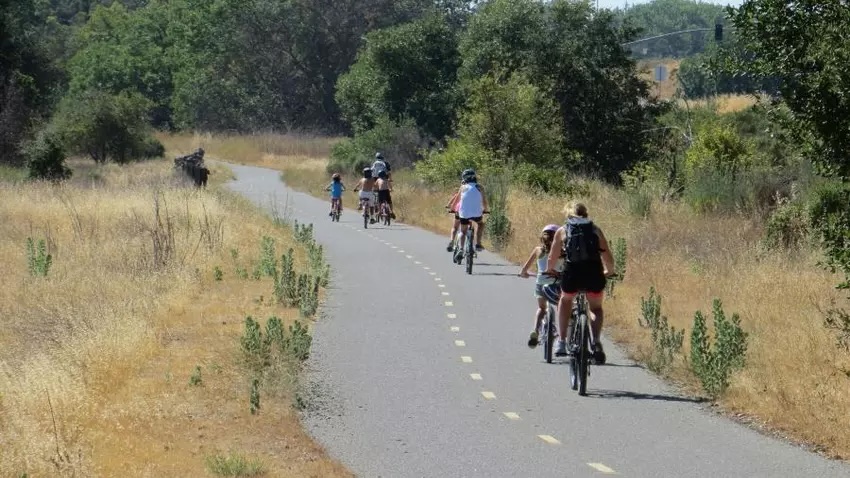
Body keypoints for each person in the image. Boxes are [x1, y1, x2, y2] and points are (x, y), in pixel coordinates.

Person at [546, 202, 616, 364]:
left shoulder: (563, 231)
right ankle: (596, 341)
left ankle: (562, 341)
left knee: (566, 300)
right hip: (593, 273)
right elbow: (607, 257)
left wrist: (550, 270)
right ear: (586, 214)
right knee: (596, 308)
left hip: (572, 274)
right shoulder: (595, 230)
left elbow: (552, 257)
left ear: (568, 215)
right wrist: (609, 271)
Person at [520, 224, 563, 347]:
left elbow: (524, 269)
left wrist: (525, 274)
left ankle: (535, 330)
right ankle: (561, 334)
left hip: (540, 283)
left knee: (542, 308)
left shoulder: (538, 250)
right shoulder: (561, 252)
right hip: (556, 284)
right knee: (562, 307)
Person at [454, 169, 489, 263]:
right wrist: (485, 210)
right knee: (480, 224)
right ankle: (478, 243)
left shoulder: (462, 187)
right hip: (477, 213)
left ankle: (461, 249)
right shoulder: (480, 187)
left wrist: (453, 208)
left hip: (464, 213)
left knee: (463, 231)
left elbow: (457, 200)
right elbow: (484, 201)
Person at [444, 180, 464, 252]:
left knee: (455, 227)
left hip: (459, 211)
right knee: (468, 226)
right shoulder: (475, 192)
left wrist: (448, 206)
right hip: (470, 213)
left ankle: (452, 241)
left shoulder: (459, 193)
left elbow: (451, 202)